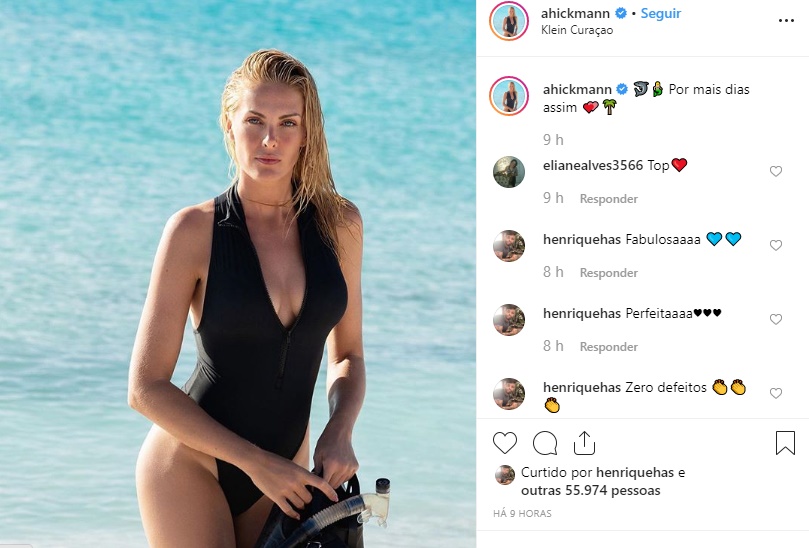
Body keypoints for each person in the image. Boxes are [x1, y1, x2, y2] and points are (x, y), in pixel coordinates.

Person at [128, 49, 366, 548]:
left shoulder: (340, 226)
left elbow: (347, 355)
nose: (269, 139)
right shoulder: (193, 231)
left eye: (287, 123)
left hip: (287, 470)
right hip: (192, 463)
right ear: (229, 125)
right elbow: (145, 387)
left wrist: (339, 429)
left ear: (307, 134)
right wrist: (256, 463)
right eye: (254, 120)